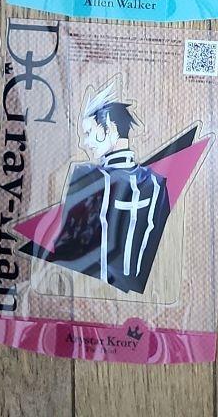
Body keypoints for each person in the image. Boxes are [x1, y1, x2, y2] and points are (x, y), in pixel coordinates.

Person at [39, 80, 171, 294]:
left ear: (110, 126)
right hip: (132, 297)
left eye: (89, 132)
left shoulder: (86, 176)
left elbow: (65, 255)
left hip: (83, 293)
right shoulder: (157, 184)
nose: (85, 142)